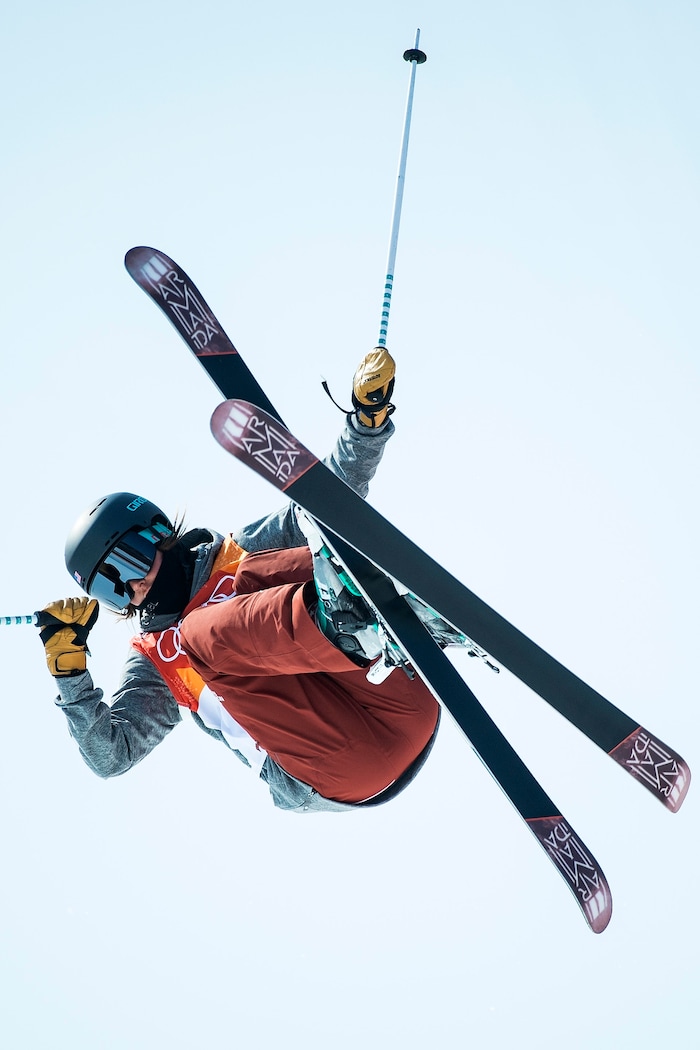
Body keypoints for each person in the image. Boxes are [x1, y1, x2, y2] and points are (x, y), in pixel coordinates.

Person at [39, 349, 453, 812]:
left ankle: (376, 615)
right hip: (340, 765)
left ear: (156, 532)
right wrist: (70, 674)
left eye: (129, 563)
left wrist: (367, 423)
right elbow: (111, 756)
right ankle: (343, 620)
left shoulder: (238, 552)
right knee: (195, 634)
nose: (131, 588)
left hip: (396, 692)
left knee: (260, 569)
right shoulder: (157, 659)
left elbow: (330, 505)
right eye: (110, 588)